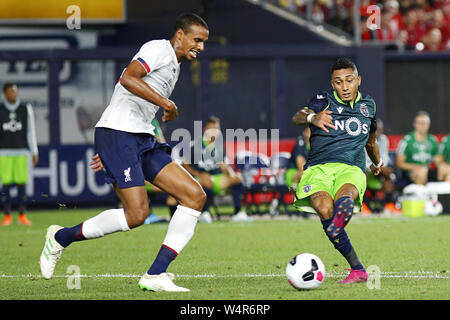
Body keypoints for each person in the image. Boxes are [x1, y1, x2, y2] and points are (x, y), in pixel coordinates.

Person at [40, 13, 209, 292]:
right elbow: (128, 78)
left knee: (194, 195)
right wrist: (165, 104)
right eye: (197, 40)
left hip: (140, 137)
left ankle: (156, 274)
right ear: (180, 35)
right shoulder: (159, 49)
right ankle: (61, 237)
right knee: (137, 214)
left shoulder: (175, 65)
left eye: (204, 42)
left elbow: (139, 101)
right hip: (119, 134)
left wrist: (157, 114)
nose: (201, 47)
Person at [291, 57, 383, 284]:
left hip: (350, 167)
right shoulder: (322, 100)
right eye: (339, 82)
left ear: (358, 80)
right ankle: (359, 270)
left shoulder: (368, 105)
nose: (344, 87)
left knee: (345, 196)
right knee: (324, 209)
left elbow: (370, 141)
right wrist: (313, 117)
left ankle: (343, 213)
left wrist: (377, 163)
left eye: (349, 81)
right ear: (333, 84)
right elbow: (297, 117)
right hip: (318, 169)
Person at [179, 116, 252, 223]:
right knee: (206, 181)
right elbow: (184, 166)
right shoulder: (196, 144)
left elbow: (224, 168)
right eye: (211, 128)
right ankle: (205, 212)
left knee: (237, 178)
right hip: (199, 179)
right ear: (205, 130)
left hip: (216, 179)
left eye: (216, 129)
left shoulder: (219, 146)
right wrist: (199, 174)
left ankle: (237, 212)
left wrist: (228, 173)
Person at [0, 83, 38, 226]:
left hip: (22, 151)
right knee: (6, 184)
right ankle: (7, 215)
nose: (13, 94)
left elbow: (30, 131)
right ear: (5, 93)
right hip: (4, 152)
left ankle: (22, 214)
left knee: (22, 183)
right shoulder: (1, 109)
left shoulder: (25, 109)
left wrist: (34, 151)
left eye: (15, 91)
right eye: (10, 91)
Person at [363, 119, 401, 214]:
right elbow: (362, 158)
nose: (378, 132)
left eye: (380, 130)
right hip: (366, 169)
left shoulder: (384, 140)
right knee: (364, 173)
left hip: (378, 168)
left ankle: (389, 205)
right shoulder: (362, 139)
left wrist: (379, 166)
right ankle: (363, 205)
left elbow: (385, 158)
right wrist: (372, 166)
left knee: (388, 173)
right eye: (376, 129)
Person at [395, 111, 440, 185]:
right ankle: (421, 196)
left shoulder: (433, 140)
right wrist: (417, 167)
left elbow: (438, 161)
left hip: (428, 171)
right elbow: (399, 163)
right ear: (414, 124)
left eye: (424, 123)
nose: (422, 125)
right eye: (420, 123)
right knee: (421, 172)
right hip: (410, 172)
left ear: (428, 125)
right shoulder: (406, 141)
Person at [285, 126, 310, 190]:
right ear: (304, 133)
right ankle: (294, 190)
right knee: (303, 175)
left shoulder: (317, 145)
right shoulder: (300, 145)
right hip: (293, 172)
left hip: (310, 172)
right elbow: (301, 167)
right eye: (309, 131)